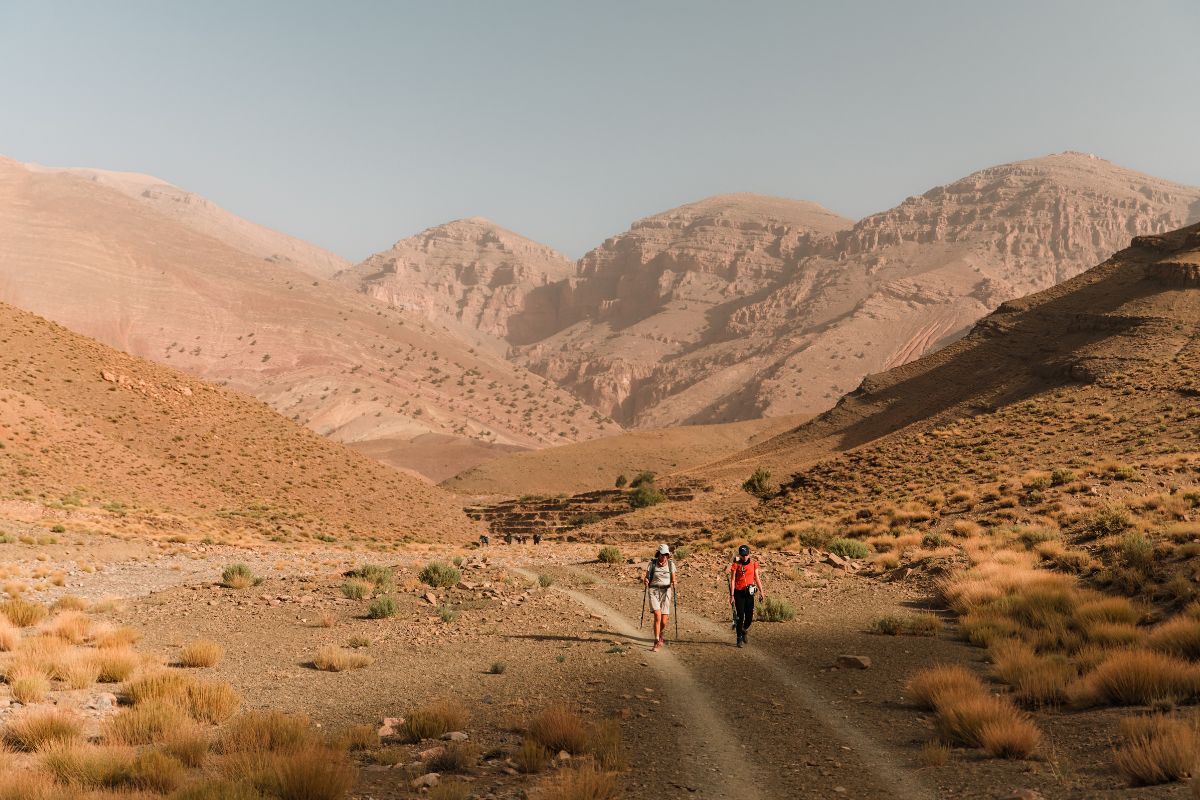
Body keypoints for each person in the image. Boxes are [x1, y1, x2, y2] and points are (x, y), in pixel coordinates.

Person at [728, 544, 765, 648]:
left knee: (749, 617)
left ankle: (743, 629)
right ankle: (739, 638)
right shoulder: (736, 564)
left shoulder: (754, 564)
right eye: (743, 555)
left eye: (746, 555)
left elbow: (757, 578)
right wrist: (732, 595)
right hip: (738, 593)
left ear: (749, 554)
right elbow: (732, 579)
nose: (745, 557)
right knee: (740, 616)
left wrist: (762, 591)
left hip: (750, 593)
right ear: (740, 554)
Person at [643, 543, 676, 652]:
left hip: (666, 591)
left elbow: (673, 579)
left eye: (666, 555)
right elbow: (646, 578)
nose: (664, 557)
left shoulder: (671, 565)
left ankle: (660, 634)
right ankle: (656, 641)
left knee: (664, 620)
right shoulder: (652, 564)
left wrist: (675, 582)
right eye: (662, 554)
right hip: (654, 590)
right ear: (659, 554)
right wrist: (646, 581)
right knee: (657, 615)